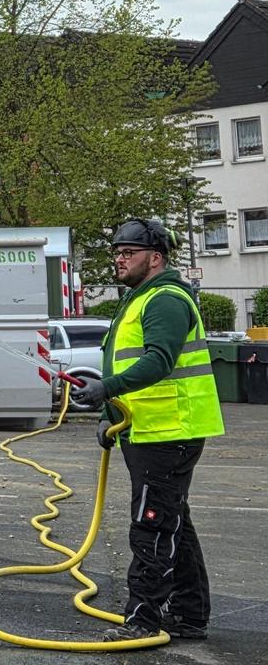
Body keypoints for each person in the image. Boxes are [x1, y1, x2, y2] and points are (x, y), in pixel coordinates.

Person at [70, 218, 222, 642]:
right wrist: (109, 416)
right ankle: (190, 616)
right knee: (174, 524)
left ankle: (142, 621)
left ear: (155, 258)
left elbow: (158, 361)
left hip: (169, 432)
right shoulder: (141, 298)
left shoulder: (165, 299)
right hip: (148, 429)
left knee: (151, 525)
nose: (119, 258)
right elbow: (126, 364)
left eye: (128, 252)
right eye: (117, 252)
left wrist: (107, 390)